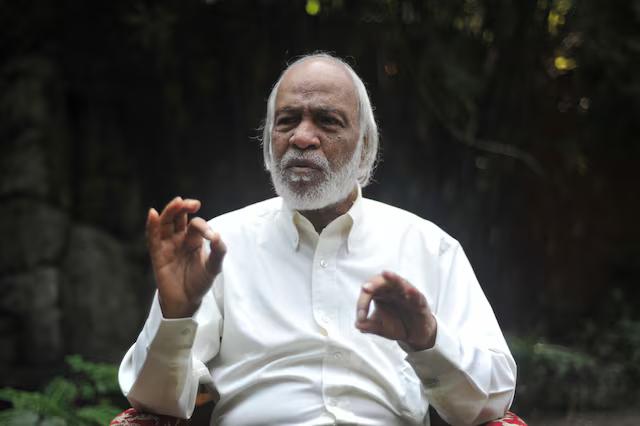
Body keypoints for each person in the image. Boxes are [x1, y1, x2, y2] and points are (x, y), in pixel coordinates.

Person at [119, 53, 517, 426]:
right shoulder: (216, 247)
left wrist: (429, 338)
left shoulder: (428, 247)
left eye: (327, 121)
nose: (302, 137)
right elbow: (154, 403)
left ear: (365, 146)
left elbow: (494, 398)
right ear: (269, 140)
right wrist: (175, 315)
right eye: (287, 120)